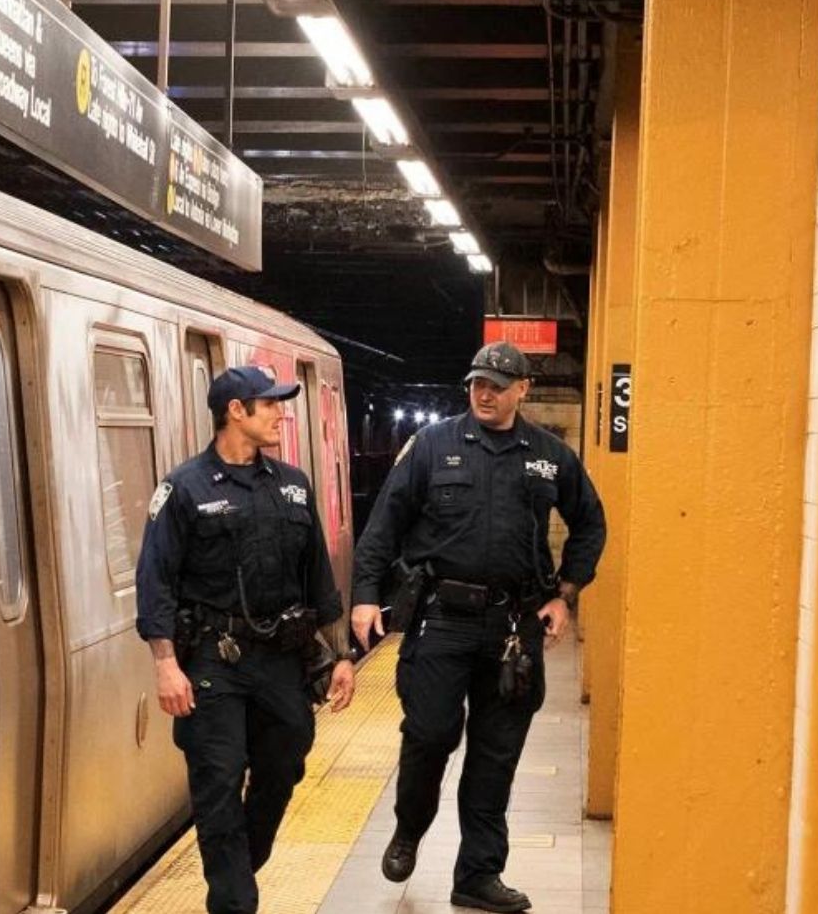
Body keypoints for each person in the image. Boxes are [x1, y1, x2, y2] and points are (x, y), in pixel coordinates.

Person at [350, 341, 606, 913]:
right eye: (477, 384)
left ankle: (478, 874)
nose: (484, 394)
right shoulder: (432, 445)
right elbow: (384, 524)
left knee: (495, 756)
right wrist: (365, 597)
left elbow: (590, 522)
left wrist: (565, 594)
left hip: (514, 629)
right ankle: (409, 827)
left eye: (497, 385)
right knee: (430, 734)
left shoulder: (550, 456)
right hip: (441, 621)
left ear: (523, 390)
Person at [135, 365, 357, 914]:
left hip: (281, 660)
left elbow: (319, 579)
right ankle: (234, 901)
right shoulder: (184, 489)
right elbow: (155, 580)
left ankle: (239, 869)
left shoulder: (292, 485)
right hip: (214, 660)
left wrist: (340, 656)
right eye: (271, 404)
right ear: (236, 411)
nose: (281, 414)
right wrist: (166, 664)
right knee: (218, 778)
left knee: (284, 763)